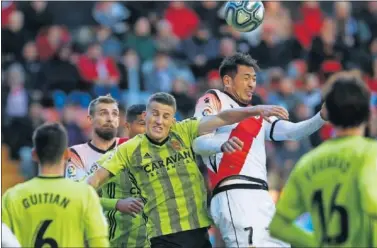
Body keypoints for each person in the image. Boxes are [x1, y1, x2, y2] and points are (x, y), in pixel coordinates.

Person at [86, 92, 289, 248]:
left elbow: (223, 118)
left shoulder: (183, 131)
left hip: (199, 231)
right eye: (155, 114)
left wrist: (255, 110)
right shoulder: (128, 149)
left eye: (166, 116)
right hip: (164, 235)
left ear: (173, 120)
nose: (159, 121)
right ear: (145, 116)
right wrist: (116, 203)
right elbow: (91, 184)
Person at [192, 53, 327, 247]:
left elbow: (293, 133)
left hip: (262, 197)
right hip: (234, 192)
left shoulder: (257, 113)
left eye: (254, 79)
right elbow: (198, 141)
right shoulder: (214, 99)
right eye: (246, 78)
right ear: (228, 81)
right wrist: (221, 145)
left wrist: (320, 117)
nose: (251, 84)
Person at [269, 72, 377, 247]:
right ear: (368, 114)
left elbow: (278, 226)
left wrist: (318, 243)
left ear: (329, 117)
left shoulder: (308, 162)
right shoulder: (372, 154)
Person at [2, 123, 109, 247]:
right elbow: (99, 243)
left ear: (34, 155)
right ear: (67, 154)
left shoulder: (11, 197)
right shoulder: (85, 195)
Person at [65, 95, 148, 247]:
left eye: (114, 114)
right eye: (103, 113)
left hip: (134, 238)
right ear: (90, 119)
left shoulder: (131, 147)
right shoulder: (77, 154)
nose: (110, 118)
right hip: (93, 238)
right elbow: (78, 196)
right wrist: (117, 204)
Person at [96, 104, 149, 247]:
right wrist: (117, 204)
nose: (148, 130)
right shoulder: (109, 160)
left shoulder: (162, 161)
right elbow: (82, 194)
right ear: (128, 126)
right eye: (142, 124)